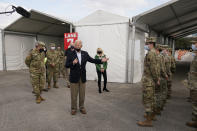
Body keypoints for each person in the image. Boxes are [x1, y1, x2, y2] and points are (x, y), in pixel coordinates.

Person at [66, 40, 109, 115]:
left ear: (81, 46)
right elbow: (66, 65)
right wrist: (73, 63)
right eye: (76, 45)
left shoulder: (85, 53)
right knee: (73, 94)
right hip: (74, 77)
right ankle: (73, 108)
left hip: (82, 77)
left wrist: (101, 60)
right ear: (74, 46)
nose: (78, 46)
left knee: (82, 94)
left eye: (79, 45)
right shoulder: (70, 53)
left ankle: (82, 107)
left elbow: (92, 60)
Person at [137, 37, 159, 127]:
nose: (146, 45)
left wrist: (156, 78)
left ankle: (148, 121)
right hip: (150, 80)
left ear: (151, 43)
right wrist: (156, 79)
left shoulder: (151, 53)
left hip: (149, 81)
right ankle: (152, 116)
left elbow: (153, 68)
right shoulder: (153, 53)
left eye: (147, 43)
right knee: (152, 98)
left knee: (148, 100)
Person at [186, 41, 197, 128]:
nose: (194, 45)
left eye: (195, 43)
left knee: (196, 103)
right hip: (194, 83)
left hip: (196, 84)